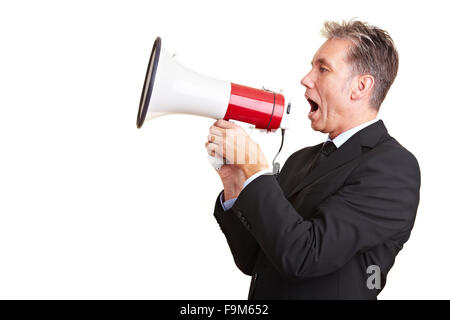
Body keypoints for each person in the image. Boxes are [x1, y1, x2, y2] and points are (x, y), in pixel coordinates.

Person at [205, 20, 420, 300]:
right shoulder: (299, 161)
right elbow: (253, 259)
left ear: (360, 86)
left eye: (323, 68)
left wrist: (254, 168)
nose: (306, 79)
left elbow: (304, 256)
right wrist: (236, 182)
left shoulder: (392, 167)